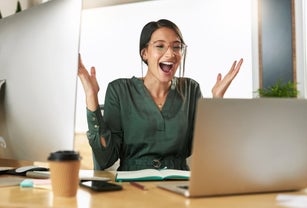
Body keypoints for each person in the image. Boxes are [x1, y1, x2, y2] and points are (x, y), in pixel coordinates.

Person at [78, 19, 243, 171]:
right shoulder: (119, 90)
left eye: (176, 46)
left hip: (178, 183)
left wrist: (217, 102)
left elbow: (206, 152)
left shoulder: (191, 89)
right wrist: (91, 95)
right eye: (160, 46)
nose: (171, 54)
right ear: (144, 53)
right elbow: (106, 158)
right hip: (132, 185)